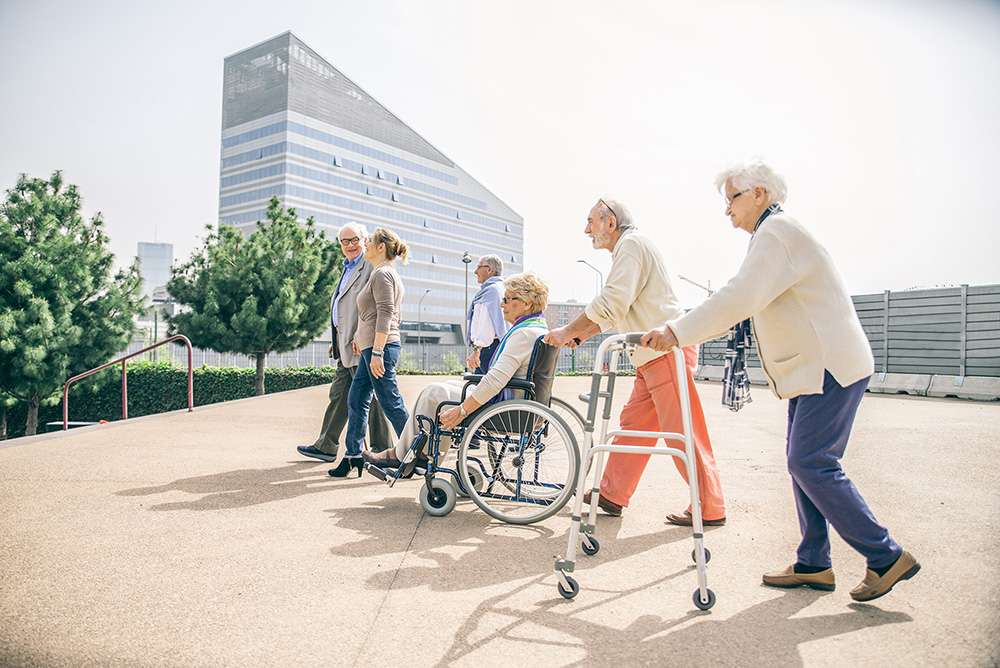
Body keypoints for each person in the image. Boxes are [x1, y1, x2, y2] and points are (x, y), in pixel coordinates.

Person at [640, 158, 919, 602]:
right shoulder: (771, 234)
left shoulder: (777, 233)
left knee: (810, 462)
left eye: (732, 197)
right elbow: (748, 297)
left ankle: (885, 556)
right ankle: (814, 563)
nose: (726, 208)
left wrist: (676, 332)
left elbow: (741, 297)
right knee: (804, 464)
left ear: (760, 195)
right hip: (813, 369)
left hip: (828, 367)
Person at [543, 199, 726, 525]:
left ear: (610, 223)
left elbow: (613, 301)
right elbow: (619, 308)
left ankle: (710, 507)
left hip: (664, 351)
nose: (586, 230)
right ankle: (613, 494)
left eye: (590, 222)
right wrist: (582, 334)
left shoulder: (631, 246)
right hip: (651, 355)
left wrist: (569, 330)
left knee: (684, 432)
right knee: (634, 427)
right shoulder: (630, 249)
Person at [363, 272, 549, 474]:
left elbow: (495, 381)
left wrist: (461, 411)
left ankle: (401, 456)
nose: (501, 304)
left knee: (435, 392)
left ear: (527, 304)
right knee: (440, 388)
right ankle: (423, 456)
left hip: (506, 408)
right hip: (518, 401)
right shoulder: (537, 329)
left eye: (507, 299)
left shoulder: (522, 334)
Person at [297, 223, 392, 462]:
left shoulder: (369, 265)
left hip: (361, 344)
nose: (350, 245)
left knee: (370, 400)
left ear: (365, 240)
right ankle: (326, 445)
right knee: (340, 395)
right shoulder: (347, 268)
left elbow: (374, 306)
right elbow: (343, 306)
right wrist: (337, 339)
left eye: (354, 240)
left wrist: (362, 336)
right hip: (345, 344)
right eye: (345, 241)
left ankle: (383, 450)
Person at [329, 228, 412, 478]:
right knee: (356, 399)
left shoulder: (383, 274)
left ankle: (417, 451)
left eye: (370, 242)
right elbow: (371, 314)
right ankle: (353, 455)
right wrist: (358, 338)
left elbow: (387, 313)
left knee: (390, 401)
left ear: (381, 248)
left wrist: (376, 351)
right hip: (371, 348)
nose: (364, 244)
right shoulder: (381, 273)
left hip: (381, 349)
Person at [466, 254, 509, 373]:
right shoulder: (503, 289)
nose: (475, 271)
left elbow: (486, 326)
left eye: (479, 267)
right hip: (500, 347)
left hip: (488, 350)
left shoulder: (490, 291)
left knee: (482, 388)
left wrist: (476, 350)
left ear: (489, 269)